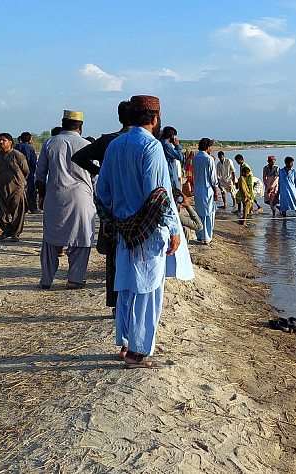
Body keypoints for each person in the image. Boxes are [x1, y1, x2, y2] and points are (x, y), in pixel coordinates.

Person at [95, 94, 194, 368]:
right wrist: (174, 229)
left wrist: (113, 218)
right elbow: (158, 195)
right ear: (155, 118)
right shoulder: (151, 147)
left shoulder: (114, 146)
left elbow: (101, 190)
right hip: (148, 233)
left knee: (126, 287)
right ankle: (138, 353)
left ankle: (126, 344)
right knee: (148, 291)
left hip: (123, 231)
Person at [70, 100, 131, 311]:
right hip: (136, 206)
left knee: (114, 256)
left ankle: (115, 305)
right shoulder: (145, 141)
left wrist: (99, 171)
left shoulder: (108, 140)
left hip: (112, 206)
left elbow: (79, 157)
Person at [35, 110, 93, 290]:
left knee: (51, 238)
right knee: (82, 238)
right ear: (81, 127)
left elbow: (40, 174)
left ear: (62, 123)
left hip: (55, 195)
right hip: (81, 197)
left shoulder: (50, 142)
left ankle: (46, 279)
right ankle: (75, 278)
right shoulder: (87, 145)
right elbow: (96, 175)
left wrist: (42, 196)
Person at [0, 133, 29, 242]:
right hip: (1, 187)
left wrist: (19, 182)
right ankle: (7, 230)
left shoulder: (17, 155)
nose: (1, 142)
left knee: (17, 211)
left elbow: (26, 170)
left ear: (10, 142)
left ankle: (15, 233)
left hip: (17, 187)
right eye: (0, 140)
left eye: (4, 140)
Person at [192, 138, 219, 244]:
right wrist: (216, 191)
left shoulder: (195, 158)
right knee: (208, 214)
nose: (211, 149)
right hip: (207, 189)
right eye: (211, 147)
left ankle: (199, 234)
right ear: (208, 147)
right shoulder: (209, 159)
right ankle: (207, 237)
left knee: (199, 213)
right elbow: (213, 178)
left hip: (197, 188)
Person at [15, 132, 39, 214]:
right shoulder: (30, 149)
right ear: (29, 139)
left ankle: (20, 208)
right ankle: (32, 208)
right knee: (31, 190)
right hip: (29, 172)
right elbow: (33, 162)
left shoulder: (15, 147)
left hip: (16, 172)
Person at [160, 126, 183, 190]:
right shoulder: (166, 145)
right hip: (171, 175)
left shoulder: (160, 143)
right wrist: (177, 146)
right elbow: (180, 157)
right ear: (172, 136)